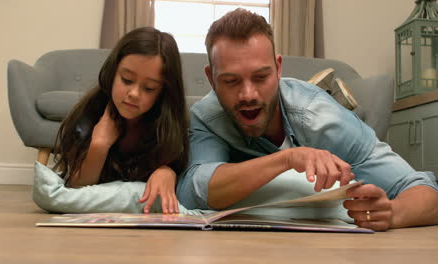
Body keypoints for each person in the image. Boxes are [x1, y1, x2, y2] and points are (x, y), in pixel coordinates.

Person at [176, 8, 438, 231]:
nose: (248, 95)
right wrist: (288, 158)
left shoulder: (319, 117)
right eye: (231, 81)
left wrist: (393, 213)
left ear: (278, 68)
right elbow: (192, 191)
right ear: (211, 79)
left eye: (260, 77)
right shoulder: (208, 115)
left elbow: (424, 190)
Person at [53, 27, 189, 214]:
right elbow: (76, 188)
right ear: (112, 72)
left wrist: (167, 171)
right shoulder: (89, 114)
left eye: (149, 88)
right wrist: (99, 145)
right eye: (126, 80)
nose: (133, 94)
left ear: (163, 93)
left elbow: (184, 175)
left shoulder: (168, 126)